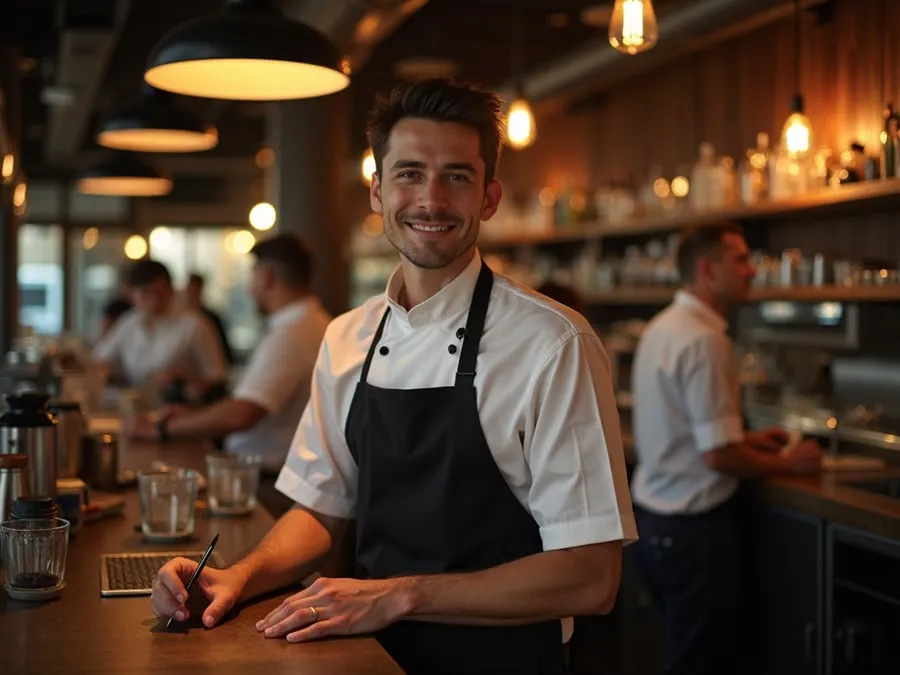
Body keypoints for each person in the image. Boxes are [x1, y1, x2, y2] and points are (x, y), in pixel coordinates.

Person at [150, 78, 636, 674]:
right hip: (367, 657)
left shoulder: (554, 343)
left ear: (489, 197)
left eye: (457, 176)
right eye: (409, 174)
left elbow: (590, 577)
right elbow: (320, 509)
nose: (431, 200)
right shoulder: (346, 336)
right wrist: (237, 577)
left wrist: (398, 595)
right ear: (378, 191)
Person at [629, 222, 823, 675]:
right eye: (740, 260)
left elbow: (687, 429)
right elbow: (719, 456)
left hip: (654, 522)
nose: (751, 270)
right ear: (707, 271)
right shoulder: (704, 340)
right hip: (692, 533)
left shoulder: (663, 326)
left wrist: (745, 439)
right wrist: (788, 463)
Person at [127, 235, 331, 517]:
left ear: (266, 277)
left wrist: (160, 428)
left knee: (154, 505)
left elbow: (241, 415)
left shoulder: (292, 334)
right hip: (275, 480)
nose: (249, 288)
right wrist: (192, 415)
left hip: (267, 487)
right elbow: (246, 402)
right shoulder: (313, 323)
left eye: (252, 276)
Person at [92, 259, 228, 404]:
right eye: (145, 294)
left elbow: (218, 378)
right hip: (138, 409)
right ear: (132, 294)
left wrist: (186, 381)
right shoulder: (128, 323)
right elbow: (100, 360)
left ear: (171, 290)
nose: (153, 301)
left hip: (183, 410)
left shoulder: (194, 325)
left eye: (159, 293)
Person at [184, 272, 235, 365]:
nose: (191, 295)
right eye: (190, 290)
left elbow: (224, 351)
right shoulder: (181, 319)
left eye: (195, 291)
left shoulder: (211, 319)